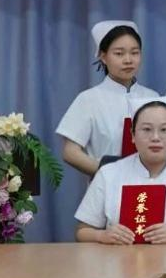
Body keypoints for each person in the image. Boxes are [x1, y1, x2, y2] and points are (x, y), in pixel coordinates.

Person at [74, 98, 166, 244]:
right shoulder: (108, 174)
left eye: (164, 130)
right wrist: (102, 236)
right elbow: (82, 231)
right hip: (119, 257)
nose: (155, 138)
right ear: (132, 135)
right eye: (146, 129)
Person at [57, 20, 159, 177]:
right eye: (119, 53)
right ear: (103, 57)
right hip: (106, 187)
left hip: (150, 186)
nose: (128, 60)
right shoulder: (88, 99)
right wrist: (107, 174)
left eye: (134, 53)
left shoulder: (153, 97)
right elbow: (70, 152)